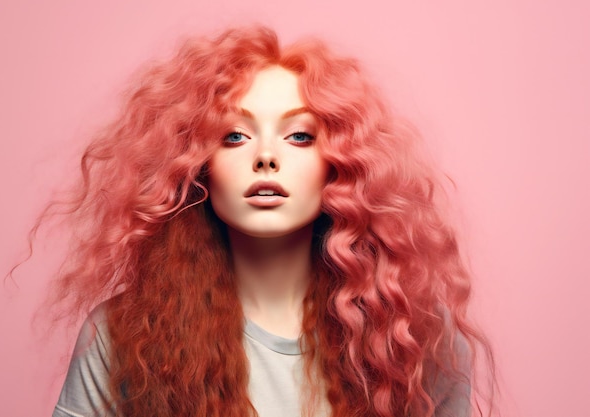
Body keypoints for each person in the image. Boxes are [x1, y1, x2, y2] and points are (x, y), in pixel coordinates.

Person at [45, 26, 494, 417]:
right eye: (234, 136)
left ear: (339, 166)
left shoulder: (416, 338)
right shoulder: (123, 334)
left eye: (299, 136)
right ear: (198, 167)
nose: (265, 156)